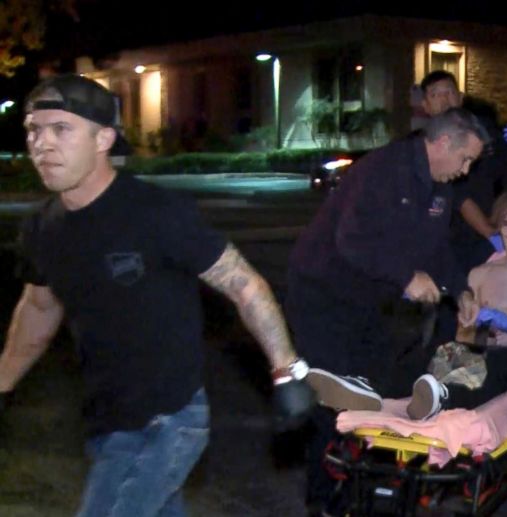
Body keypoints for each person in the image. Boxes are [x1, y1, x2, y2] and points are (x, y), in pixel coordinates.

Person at [0, 74, 314, 517]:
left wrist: (287, 371)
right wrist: (3, 381)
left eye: (61, 129)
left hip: (169, 420)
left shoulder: (156, 213)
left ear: (103, 138)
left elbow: (243, 283)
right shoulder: (41, 229)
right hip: (105, 421)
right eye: (34, 130)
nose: (42, 144)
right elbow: (37, 309)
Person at [284, 107, 487, 513]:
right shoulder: (384, 169)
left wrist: (460, 289)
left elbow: (437, 247)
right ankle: (324, 501)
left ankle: (367, 488)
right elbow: (352, 239)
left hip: (366, 300)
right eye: (465, 159)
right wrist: (407, 277)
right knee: (334, 397)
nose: (465, 171)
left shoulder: (440, 188)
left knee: (375, 388)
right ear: (443, 142)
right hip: (321, 294)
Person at [404, 188, 507, 419]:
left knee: (499, 363)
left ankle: (443, 397)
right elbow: (465, 335)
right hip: (486, 354)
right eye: (506, 223)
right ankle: (394, 389)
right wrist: (469, 336)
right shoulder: (480, 275)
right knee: (435, 352)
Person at [418, 71, 507, 276]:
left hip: (490, 239)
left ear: (461, 97)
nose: (445, 99)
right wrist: (491, 233)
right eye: (436, 94)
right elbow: (460, 197)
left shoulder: (485, 132)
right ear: (425, 105)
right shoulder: (422, 145)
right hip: (449, 243)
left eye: (449, 92)